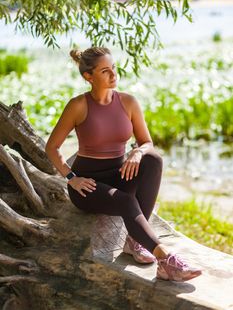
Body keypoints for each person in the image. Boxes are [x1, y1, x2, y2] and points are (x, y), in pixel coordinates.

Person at [45, 47, 202, 282]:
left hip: (120, 174)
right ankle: (166, 259)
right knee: (126, 200)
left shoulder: (128, 102)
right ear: (89, 76)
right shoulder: (78, 105)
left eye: (114, 68)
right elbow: (52, 147)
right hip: (88, 185)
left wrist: (137, 153)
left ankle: (135, 241)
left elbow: (147, 142)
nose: (113, 75)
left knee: (153, 160)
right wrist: (71, 178)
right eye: (105, 71)